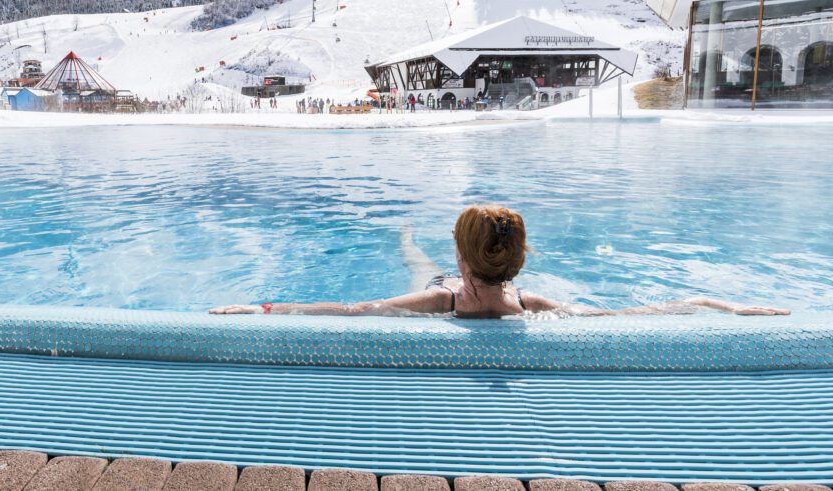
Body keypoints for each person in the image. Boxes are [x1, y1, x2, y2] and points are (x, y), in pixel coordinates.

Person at [210, 205, 791, 318]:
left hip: (441, 287)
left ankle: (406, 236)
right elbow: (639, 312)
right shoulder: (532, 303)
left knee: (415, 262)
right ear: (514, 264)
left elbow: (350, 308)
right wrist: (723, 303)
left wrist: (262, 307)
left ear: (464, 263)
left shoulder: (440, 299)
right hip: (481, 284)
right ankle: (409, 238)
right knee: (419, 260)